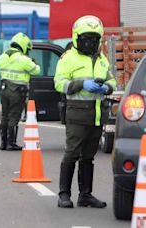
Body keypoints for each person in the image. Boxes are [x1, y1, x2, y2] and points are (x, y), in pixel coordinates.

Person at [54, 15, 117, 208]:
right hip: (77, 115)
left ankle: (85, 195)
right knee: (72, 153)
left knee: (89, 157)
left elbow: (112, 80)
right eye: (86, 38)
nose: (90, 42)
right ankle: (64, 194)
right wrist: (81, 84)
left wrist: (106, 88)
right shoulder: (68, 58)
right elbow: (58, 83)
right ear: (76, 38)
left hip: (97, 116)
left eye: (94, 39)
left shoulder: (102, 59)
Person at [0, 32, 40, 151]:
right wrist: (34, 63)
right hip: (16, 91)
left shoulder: (3, 56)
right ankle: (11, 143)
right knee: (14, 117)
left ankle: (3, 143)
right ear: (23, 45)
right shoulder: (23, 59)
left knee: (4, 116)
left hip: (4, 89)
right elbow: (36, 70)